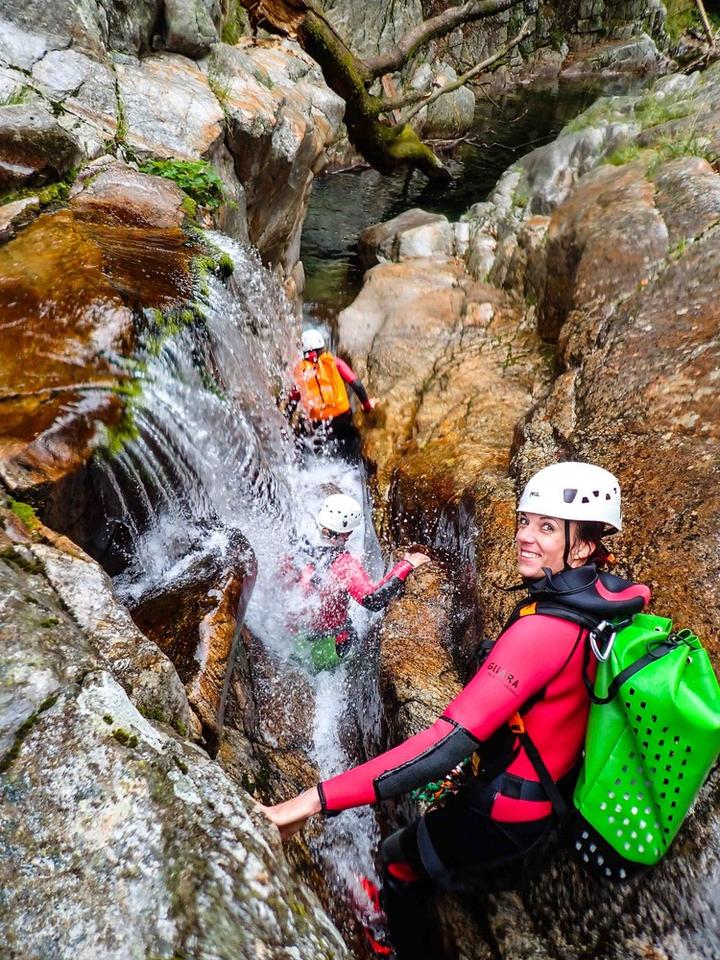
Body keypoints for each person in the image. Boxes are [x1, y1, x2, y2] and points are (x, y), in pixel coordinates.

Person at [260, 462, 652, 957]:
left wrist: (309, 802)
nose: (524, 536)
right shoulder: (596, 600)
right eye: (524, 521)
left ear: (581, 546)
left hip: (508, 814)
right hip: (546, 784)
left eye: (547, 527)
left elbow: (442, 746)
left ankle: (398, 946)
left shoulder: (543, 631)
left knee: (395, 857)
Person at [284, 493, 430, 669]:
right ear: (347, 534)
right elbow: (373, 600)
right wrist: (406, 565)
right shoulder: (343, 564)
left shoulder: (296, 550)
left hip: (298, 641)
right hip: (330, 647)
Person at [288, 329, 377, 458]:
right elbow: (356, 384)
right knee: (350, 440)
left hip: (319, 423)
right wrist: (367, 405)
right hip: (342, 416)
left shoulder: (301, 371)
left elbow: (293, 399)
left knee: (306, 433)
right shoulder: (334, 362)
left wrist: (287, 419)